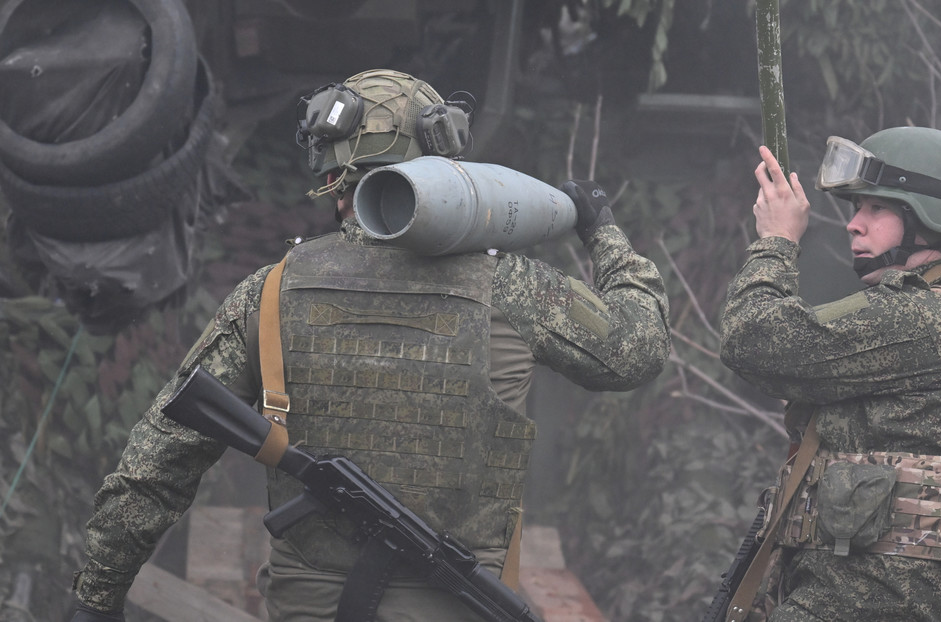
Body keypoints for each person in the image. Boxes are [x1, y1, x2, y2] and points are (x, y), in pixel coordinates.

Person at [69, 69, 671, 621]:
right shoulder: (514, 286)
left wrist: (96, 597)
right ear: (447, 165)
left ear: (333, 175)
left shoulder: (273, 290)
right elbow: (637, 348)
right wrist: (604, 234)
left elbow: (161, 457)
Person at [718, 127, 941, 621]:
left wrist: (776, 242)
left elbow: (753, 342)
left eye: (876, 208)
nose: (854, 225)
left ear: (928, 220)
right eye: (858, 208)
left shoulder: (926, 321)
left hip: (862, 604)